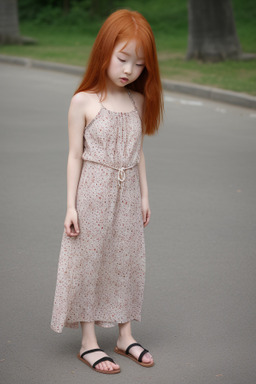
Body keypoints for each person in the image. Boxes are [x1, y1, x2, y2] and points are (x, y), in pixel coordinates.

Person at [50, 9, 163, 375]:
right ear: (105, 50)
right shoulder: (83, 101)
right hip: (93, 193)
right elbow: (74, 156)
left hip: (127, 191)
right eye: (123, 58)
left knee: (127, 261)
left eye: (140, 64)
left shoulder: (138, 101)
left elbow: (138, 153)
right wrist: (70, 206)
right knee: (89, 262)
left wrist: (145, 196)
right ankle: (88, 342)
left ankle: (125, 334)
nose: (129, 69)